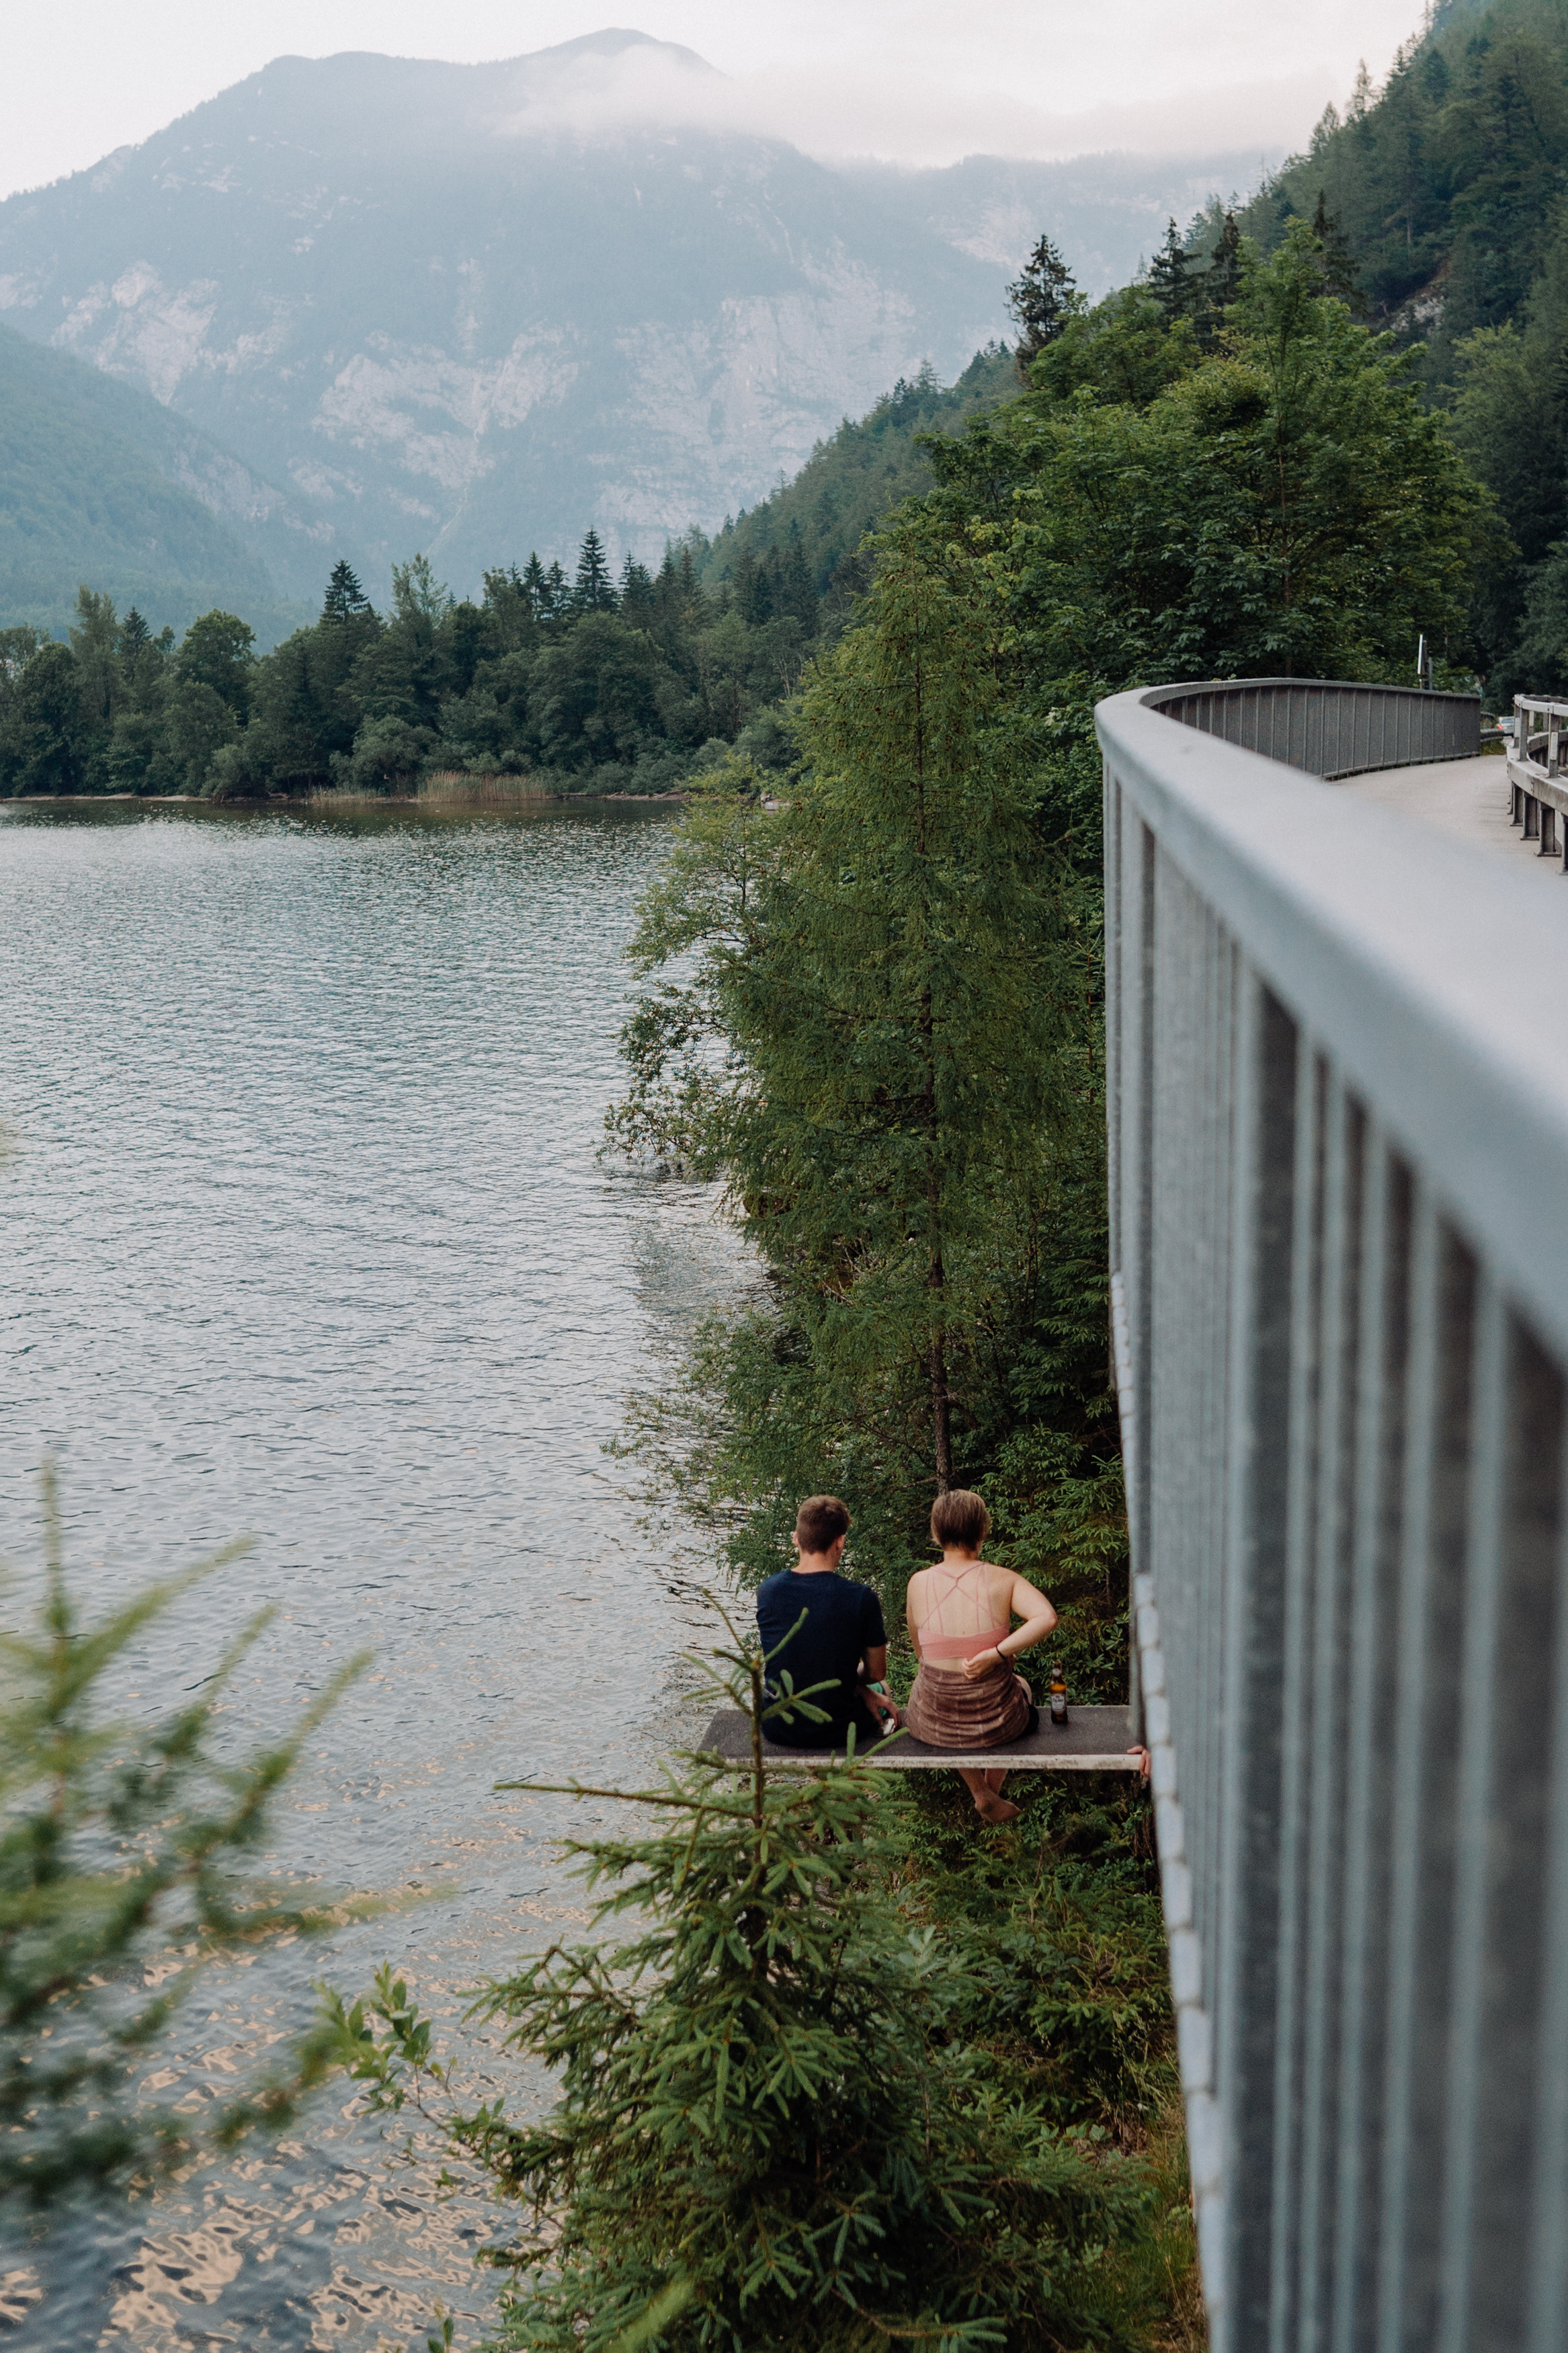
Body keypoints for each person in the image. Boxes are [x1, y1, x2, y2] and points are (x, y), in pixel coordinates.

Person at [904, 1488, 1057, 1824]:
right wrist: (997, 1654)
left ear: (936, 1533)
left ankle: (980, 1793)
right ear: (983, 1531)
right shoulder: (1003, 1579)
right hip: (998, 1722)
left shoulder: (918, 1583)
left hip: (933, 1724)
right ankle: (990, 1790)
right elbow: (1047, 1617)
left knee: (939, 1699)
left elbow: (919, 1649)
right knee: (1024, 1687)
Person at [756, 1496, 901, 1751]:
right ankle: (844, 1785)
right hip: (839, 1729)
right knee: (882, 1687)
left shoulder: (768, 1591)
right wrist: (860, 1687)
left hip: (779, 1725)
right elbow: (876, 1672)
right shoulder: (861, 1597)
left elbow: (795, 1660)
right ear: (841, 1541)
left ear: (796, 1539)